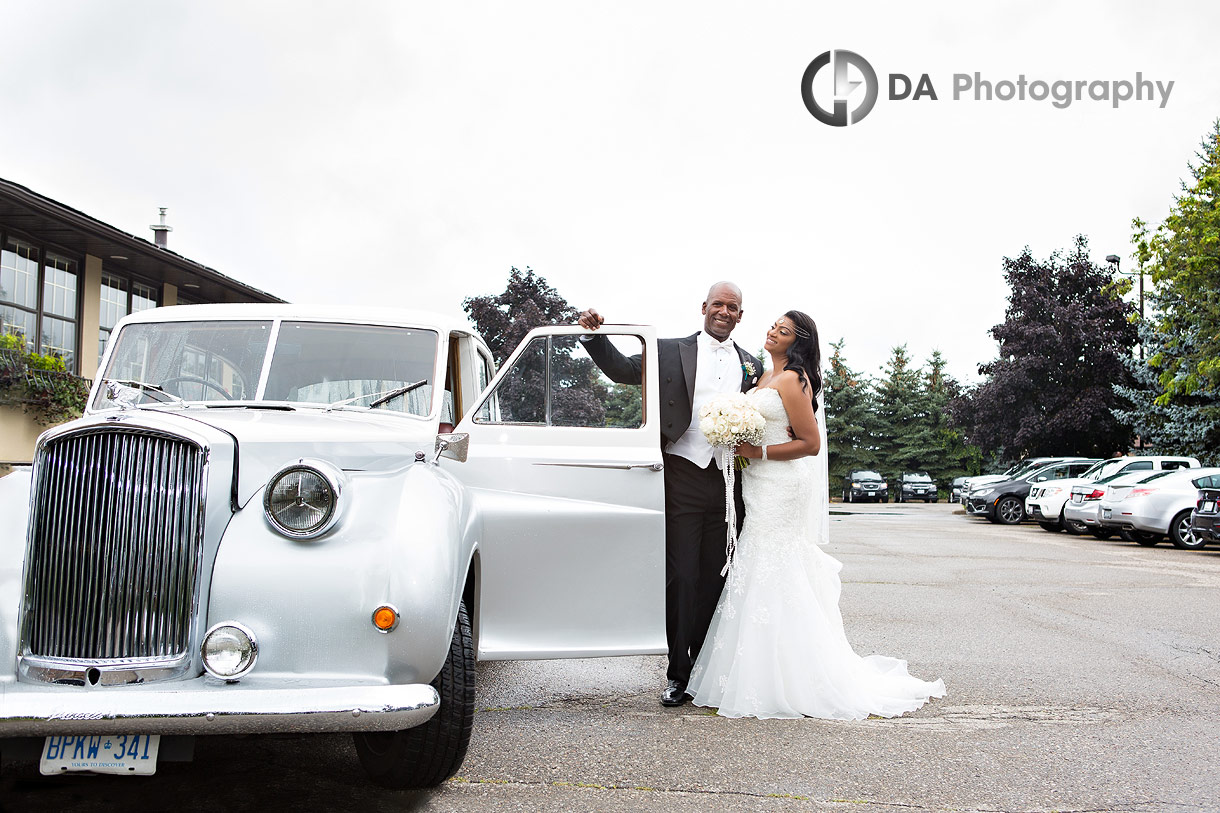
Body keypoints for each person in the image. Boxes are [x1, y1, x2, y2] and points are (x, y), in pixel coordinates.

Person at [686, 310, 946, 719]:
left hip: (782, 482)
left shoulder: (792, 379)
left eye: (783, 330)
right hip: (758, 484)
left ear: (798, 342)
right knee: (757, 559)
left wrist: (759, 452)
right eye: (773, 325)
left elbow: (811, 443)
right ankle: (752, 671)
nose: (773, 332)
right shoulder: (759, 378)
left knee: (774, 561)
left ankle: (787, 678)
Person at [577, 282, 761, 707]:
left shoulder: (751, 364)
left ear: (740, 316)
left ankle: (706, 672)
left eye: (733, 307)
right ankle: (678, 675)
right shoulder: (669, 350)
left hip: (727, 480)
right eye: (719, 304)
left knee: (717, 576)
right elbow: (623, 371)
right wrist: (593, 337)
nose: (725, 311)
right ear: (704, 307)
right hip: (680, 474)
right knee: (682, 576)